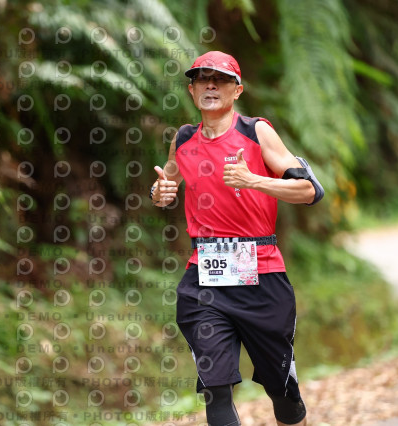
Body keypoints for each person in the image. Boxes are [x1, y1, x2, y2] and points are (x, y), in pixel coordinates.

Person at [149, 51, 324, 426]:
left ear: (237, 90)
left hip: (262, 276)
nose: (211, 85)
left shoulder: (256, 132)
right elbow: (167, 181)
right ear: (192, 90)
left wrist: (253, 180)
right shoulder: (183, 138)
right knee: (216, 392)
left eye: (221, 79)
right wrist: (159, 192)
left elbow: (309, 191)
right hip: (204, 281)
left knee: (283, 395)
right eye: (202, 79)